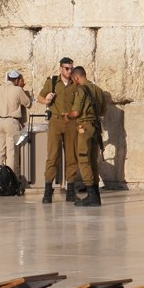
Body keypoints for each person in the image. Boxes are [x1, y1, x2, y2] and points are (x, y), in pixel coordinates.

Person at [38, 57, 82, 204]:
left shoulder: (75, 83)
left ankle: (70, 191)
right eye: (67, 68)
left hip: (71, 122)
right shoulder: (52, 82)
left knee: (72, 156)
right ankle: (47, 191)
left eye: (71, 68)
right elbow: (39, 97)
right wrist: (47, 100)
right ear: (61, 69)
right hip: (56, 122)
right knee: (52, 156)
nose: (69, 71)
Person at [70, 66, 109, 207]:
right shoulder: (98, 90)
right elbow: (103, 111)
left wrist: (67, 116)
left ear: (76, 77)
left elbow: (76, 112)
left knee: (84, 161)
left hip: (85, 128)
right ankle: (96, 195)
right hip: (95, 128)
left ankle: (92, 196)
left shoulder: (81, 90)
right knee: (93, 161)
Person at [0, 70, 30, 182]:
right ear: (17, 80)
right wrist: (22, 89)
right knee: (11, 152)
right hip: (11, 122)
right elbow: (28, 103)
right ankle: (11, 179)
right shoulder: (17, 90)